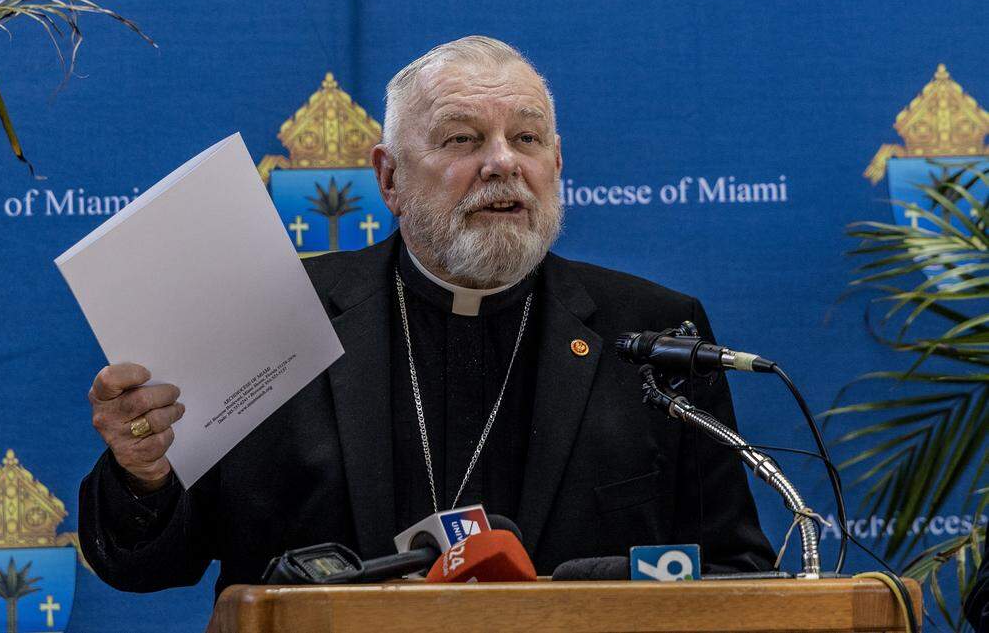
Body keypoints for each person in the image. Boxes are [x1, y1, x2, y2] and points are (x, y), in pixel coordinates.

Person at [80, 36, 774, 595]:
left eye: (527, 139)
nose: (502, 163)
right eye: (462, 139)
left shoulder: (653, 332)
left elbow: (732, 570)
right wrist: (143, 473)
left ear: (557, 162)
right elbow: (151, 564)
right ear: (389, 178)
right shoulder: (272, 315)